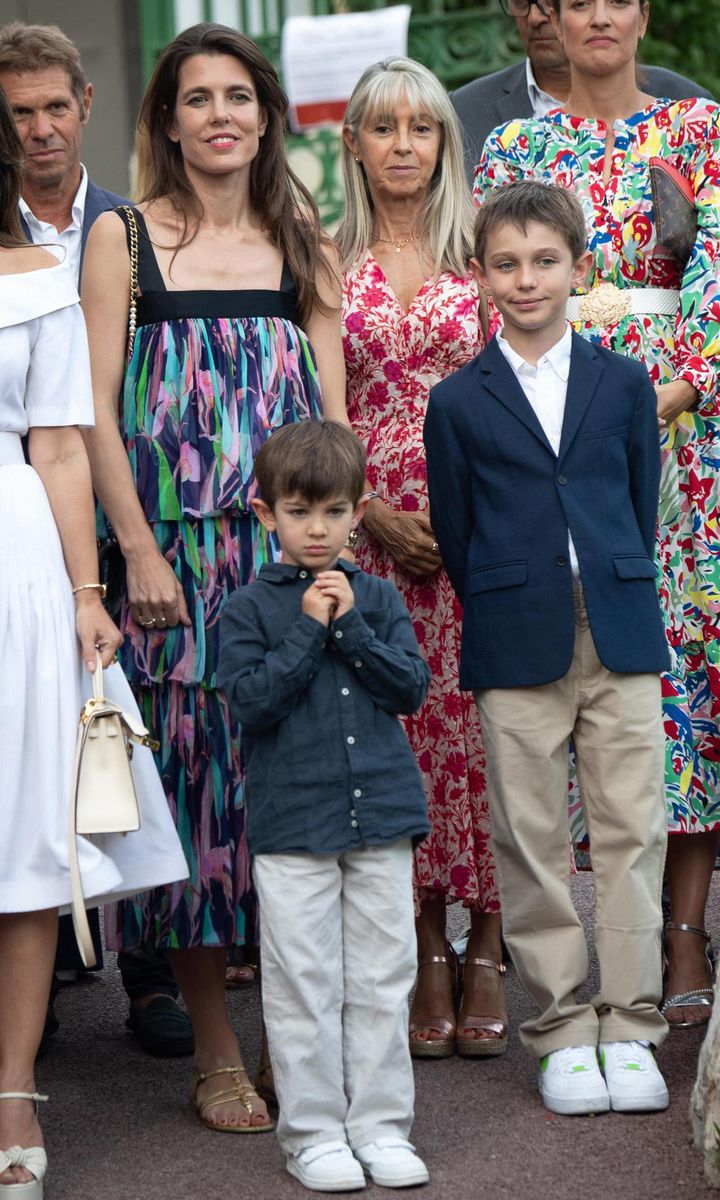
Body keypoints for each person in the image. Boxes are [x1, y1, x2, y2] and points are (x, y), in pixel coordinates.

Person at [81, 22, 348, 1134]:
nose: (221, 115)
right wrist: (136, 550)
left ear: (266, 113)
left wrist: (334, 560)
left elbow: (334, 431)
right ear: (168, 119)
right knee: (198, 801)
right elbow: (90, 411)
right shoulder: (124, 241)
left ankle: (300, 1032)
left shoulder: (305, 240)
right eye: (198, 98)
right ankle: (218, 1049)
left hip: (283, 571)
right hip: (173, 573)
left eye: (239, 95)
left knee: (286, 797)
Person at [475, 0, 720, 1033]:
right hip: (559, 429)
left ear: (642, 11)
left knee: (686, 668)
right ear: (550, 20)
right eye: (575, 1)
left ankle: (684, 932)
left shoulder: (701, 129)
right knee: (577, 669)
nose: (598, 17)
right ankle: (579, 957)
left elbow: (717, 283)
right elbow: (500, 284)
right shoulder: (515, 145)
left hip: (683, 428)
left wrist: (676, 391)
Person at [424, 180, 670, 1116]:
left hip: (618, 624)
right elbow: (457, 528)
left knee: (630, 830)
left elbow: (636, 504)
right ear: (482, 276)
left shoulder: (623, 380)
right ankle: (563, 1028)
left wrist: (609, 579)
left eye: (544, 261)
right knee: (529, 837)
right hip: (512, 630)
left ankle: (632, 1023)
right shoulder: (458, 401)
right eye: (506, 264)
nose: (526, 280)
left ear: (578, 266)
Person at [0, 86, 187, 1196]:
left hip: (18, 562)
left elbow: (65, 446)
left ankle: (13, 1086)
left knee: (27, 833)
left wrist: (85, 592)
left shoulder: (34, 278)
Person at [338, 56, 507, 1062]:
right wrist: (366, 508)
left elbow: (514, 385)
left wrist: (471, 514)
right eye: (384, 127)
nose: (404, 145)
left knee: (483, 736)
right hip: (365, 535)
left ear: (445, 142)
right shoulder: (320, 253)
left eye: (423, 128)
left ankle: (487, 938)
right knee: (399, 739)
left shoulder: (484, 250)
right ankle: (422, 944)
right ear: (352, 142)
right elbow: (321, 403)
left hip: (478, 526)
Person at [218, 419, 430, 1192]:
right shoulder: (248, 609)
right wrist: (310, 631)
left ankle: (380, 1126)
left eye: (334, 512)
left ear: (357, 511)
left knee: (381, 977)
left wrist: (353, 631)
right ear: (266, 512)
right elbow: (251, 703)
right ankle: (311, 1132)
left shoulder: (374, 597)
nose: (318, 529)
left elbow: (409, 687)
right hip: (293, 825)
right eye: (300, 512)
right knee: (303, 979)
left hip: (381, 816)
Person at [450, 0, 712, 181]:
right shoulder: (497, 137)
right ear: (559, 21)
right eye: (580, 3)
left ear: (643, 17)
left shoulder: (696, 118)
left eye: (618, 1)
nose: (534, 16)